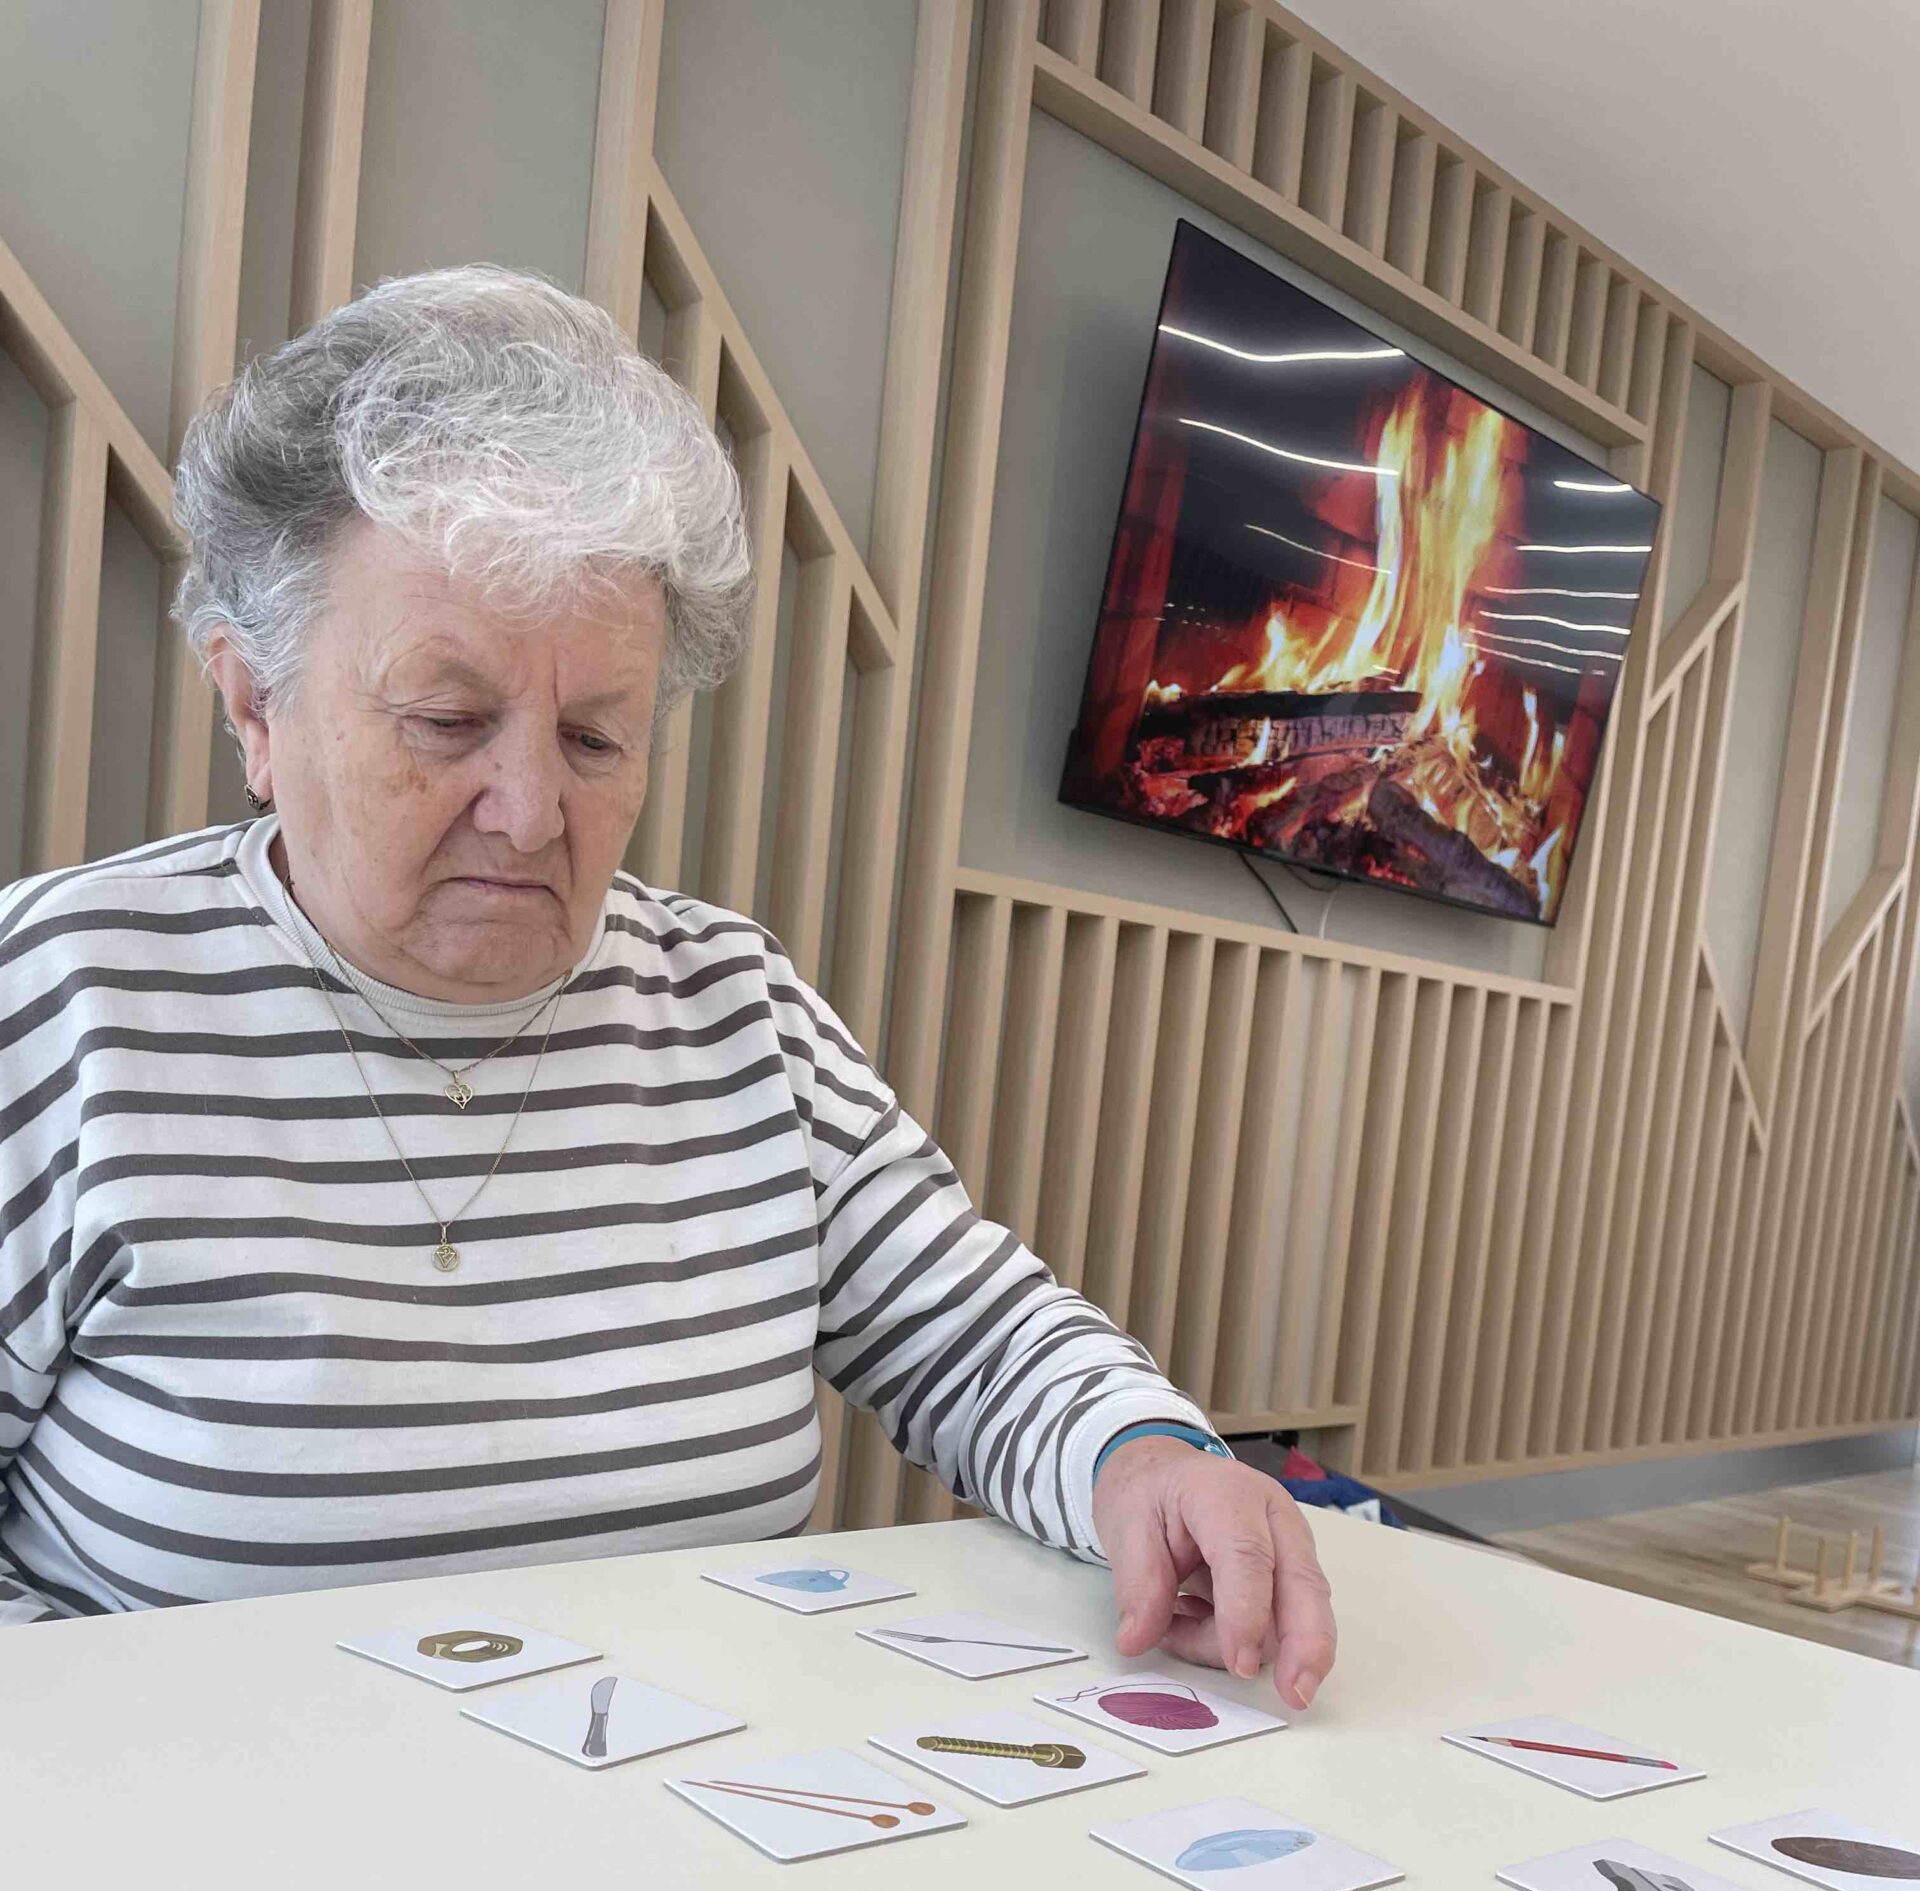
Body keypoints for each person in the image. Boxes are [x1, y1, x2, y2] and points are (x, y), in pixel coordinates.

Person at [0, 264, 1335, 1707]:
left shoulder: (732, 1009)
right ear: (254, 704)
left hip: (683, 1802)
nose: (530, 812)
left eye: (596, 739)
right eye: (446, 721)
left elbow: (975, 1341)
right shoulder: (62, 998)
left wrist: (1146, 1458)